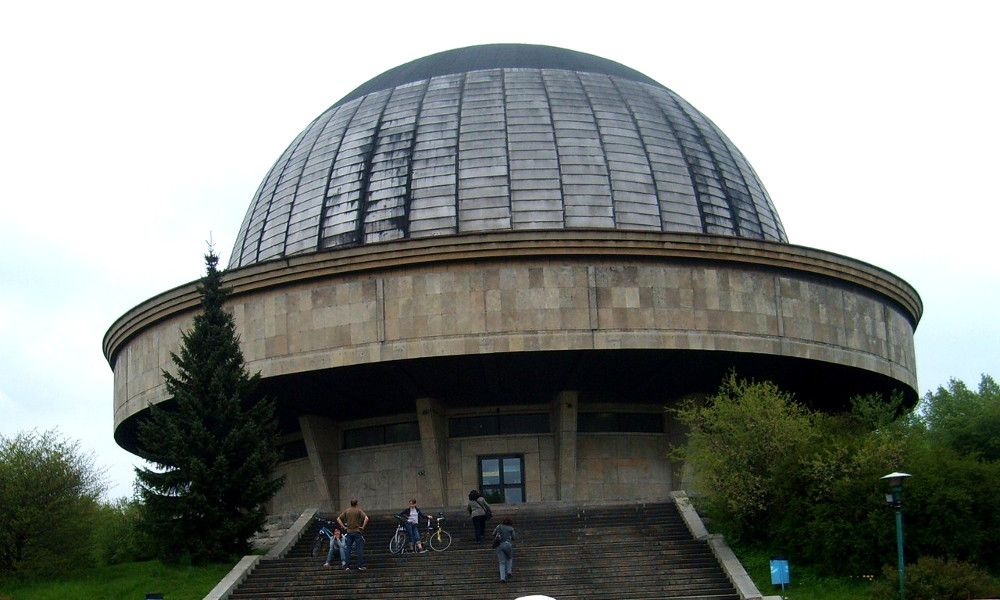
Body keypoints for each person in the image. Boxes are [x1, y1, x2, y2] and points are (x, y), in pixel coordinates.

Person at [337, 497, 370, 570]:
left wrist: (343, 527)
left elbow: (338, 518)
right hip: (357, 531)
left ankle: (347, 566)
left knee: (348, 549)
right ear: (357, 503)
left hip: (349, 531)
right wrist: (363, 527)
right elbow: (366, 518)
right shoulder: (358, 510)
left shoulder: (347, 511)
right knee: (359, 549)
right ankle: (360, 565)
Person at [491, 517, 517, 583]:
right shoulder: (511, 528)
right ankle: (509, 571)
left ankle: (502, 578)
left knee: (501, 562)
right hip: (508, 544)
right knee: (509, 558)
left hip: (499, 545)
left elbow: (493, 534)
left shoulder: (499, 526)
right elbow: (514, 537)